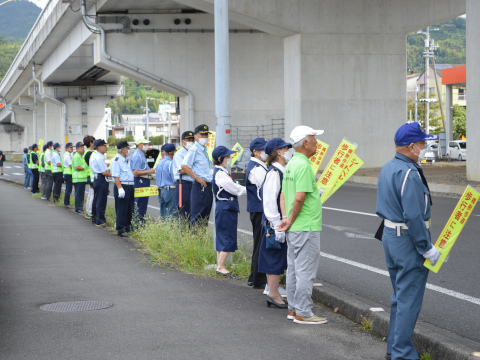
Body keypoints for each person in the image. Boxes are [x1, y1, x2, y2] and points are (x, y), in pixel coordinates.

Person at [376, 122, 441, 360]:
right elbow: (413, 215)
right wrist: (426, 248)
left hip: (391, 237)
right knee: (409, 300)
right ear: (412, 146)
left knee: (400, 297)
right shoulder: (410, 173)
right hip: (408, 241)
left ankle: (394, 349)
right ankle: (402, 353)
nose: (425, 147)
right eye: (423, 143)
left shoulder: (388, 167)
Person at [278, 125, 327, 325]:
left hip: (294, 226)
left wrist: (285, 217)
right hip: (306, 225)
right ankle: (304, 313)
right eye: (314, 138)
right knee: (306, 271)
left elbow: (283, 195)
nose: (317, 143)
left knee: (293, 269)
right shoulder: (304, 165)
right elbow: (299, 197)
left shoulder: (290, 164)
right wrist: (290, 219)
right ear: (305, 143)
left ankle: (293, 308)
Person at [258, 138, 292, 308]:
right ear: (278, 152)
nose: (289, 151)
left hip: (278, 222)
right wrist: (276, 224)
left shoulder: (280, 171)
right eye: (286, 148)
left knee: (276, 257)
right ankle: (272, 293)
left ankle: (274, 292)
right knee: (274, 257)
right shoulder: (274, 173)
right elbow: (270, 201)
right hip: (275, 222)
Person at [212, 145, 246, 275]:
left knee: (222, 236)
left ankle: (219, 265)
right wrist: (248, 190)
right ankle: (220, 267)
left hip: (224, 207)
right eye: (227, 157)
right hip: (226, 207)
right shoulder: (220, 174)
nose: (230, 158)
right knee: (227, 236)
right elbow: (233, 188)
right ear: (220, 159)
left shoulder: (221, 172)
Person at [245, 137, 268, 289]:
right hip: (260, 210)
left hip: (258, 209)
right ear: (256, 151)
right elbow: (267, 188)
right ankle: (258, 279)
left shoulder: (259, 166)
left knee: (259, 243)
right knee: (261, 244)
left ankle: (254, 278)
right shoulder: (257, 168)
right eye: (264, 149)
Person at [181, 124, 214, 227]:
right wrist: (197, 178)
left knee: (205, 218)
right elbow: (185, 166)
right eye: (202, 135)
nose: (205, 137)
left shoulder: (203, 150)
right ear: (196, 136)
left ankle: (200, 241)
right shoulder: (194, 149)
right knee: (197, 218)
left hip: (207, 186)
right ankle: (194, 242)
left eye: (206, 135)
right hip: (200, 186)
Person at [111, 141, 135, 237]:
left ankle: (127, 226)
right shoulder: (117, 160)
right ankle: (120, 228)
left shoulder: (125, 160)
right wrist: (120, 188)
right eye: (127, 148)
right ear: (123, 149)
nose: (129, 150)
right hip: (122, 186)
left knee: (129, 208)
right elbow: (116, 176)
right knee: (122, 208)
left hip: (129, 186)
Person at [130, 137, 155, 222]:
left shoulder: (141, 154)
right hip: (140, 181)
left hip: (143, 181)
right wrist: (150, 171)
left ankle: (140, 222)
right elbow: (135, 172)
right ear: (140, 145)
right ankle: (138, 224)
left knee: (143, 203)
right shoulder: (138, 156)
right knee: (140, 203)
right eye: (145, 144)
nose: (146, 146)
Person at [173, 130, 195, 219]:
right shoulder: (179, 154)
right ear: (183, 142)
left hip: (193, 184)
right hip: (183, 184)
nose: (191, 142)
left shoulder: (193, 153)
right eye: (188, 140)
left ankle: (190, 232)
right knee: (184, 212)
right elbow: (182, 170)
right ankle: (183, 232)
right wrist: (196, 170)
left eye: (192, 140)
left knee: (193, 210)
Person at [90, 139, 112, 227]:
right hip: (101, 179)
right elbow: (104, 172)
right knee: (101, 201)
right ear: (99, 148)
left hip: (97, 179)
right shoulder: (100, 157)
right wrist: (115, 175)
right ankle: (100, 220)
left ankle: (95, 218)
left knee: (97, 199)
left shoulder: (95, 155)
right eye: (104, 146)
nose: (106, 148)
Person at [155, 143, 177, 220]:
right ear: (173, 152)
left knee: (163, 214)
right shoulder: (171, 163)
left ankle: (163, 231)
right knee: (172, 214)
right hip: (170, 190)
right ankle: (170, 232)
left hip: (161, 190)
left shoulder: (158, 164)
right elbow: (175, 180)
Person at [72, 142, 87, 213]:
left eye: (83, 147)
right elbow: (77, 167)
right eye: (81, 147)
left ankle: (80, 207)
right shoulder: (76, 156)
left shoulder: (80, 156)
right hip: (78, 178)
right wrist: (84, 168)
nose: (82, 148)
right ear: (77, 148)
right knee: (79, 194)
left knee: (81, 194)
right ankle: (78, 208)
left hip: (82, 178)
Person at [83, 135, 96, 220]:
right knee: (92, 195)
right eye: (94, 142)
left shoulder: (87, 152)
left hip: (89, 175)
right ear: (91, 143)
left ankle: (89, 211)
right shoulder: (89, 153)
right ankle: (90, 212)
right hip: (91, 176)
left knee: (90, 194)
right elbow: (92, 166)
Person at [63, 143, 74, 209]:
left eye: (72, 147)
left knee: (68, 189)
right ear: (67, 148)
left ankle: (66, 203)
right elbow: (71, 166)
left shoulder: (67, 155)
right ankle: (67, 203)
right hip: (68, 174)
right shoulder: (67, 156)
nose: (72, 148)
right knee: (68, 189)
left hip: (67, 173)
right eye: (70, 147)